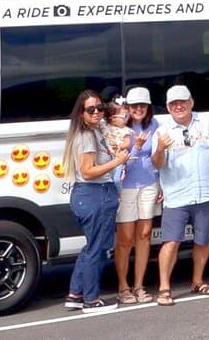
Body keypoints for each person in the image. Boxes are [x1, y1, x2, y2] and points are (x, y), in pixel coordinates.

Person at [151, 85, 209, 306]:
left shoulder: (206, 122)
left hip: (205, 192)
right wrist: (159, 149)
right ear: (167, 107)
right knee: (171, 241)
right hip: (176, 195)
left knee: (203, 240)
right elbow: (157, 164)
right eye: (174, 103)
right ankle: (164, 287)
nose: (179, 106)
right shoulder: (162, 130)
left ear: (191, 102)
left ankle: (198, 281)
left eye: (183, 101)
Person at [61, 89, 130, 312]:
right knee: (97, 249)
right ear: (81, 113)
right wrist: (118, 160)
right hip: (93, 193)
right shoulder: (86, 136)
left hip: (94, 194)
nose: (97, 112)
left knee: (93, 246)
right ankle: (91, 300)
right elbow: (88, 171)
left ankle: (75, 294)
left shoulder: (94, 131)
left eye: (100, 108)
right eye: (91, 109)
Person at [113, 86, 161, 305]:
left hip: (150, 183)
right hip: (126, 186)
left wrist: (161, 184)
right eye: (134, 106)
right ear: (128, 107)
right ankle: (123, 286)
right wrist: (136, 147)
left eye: (142, 105)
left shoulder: (155, 125)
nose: (138, 109)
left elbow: (159, 157)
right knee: (125, 238)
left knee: (144, 234)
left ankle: (139, 285)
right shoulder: (119, 127)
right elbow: (118, 159)